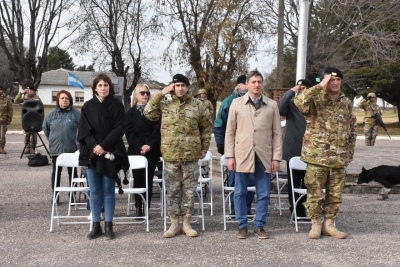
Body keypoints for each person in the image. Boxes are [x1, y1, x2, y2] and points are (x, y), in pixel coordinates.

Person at [144, 73, 212, 238]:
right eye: (176, 85)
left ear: (188, 87)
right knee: (173, 191)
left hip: (191, 155)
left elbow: (206, 127)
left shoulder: (198, 105)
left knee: (189, 191)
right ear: (172, 87)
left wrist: (204, 147)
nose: (180, 88)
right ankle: (174, 224)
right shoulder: (164, 104)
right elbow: (148, 113)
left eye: (183, 85)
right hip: (171, 155)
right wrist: (161, 93)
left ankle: (187, 223)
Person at [294, 67, 357, 239]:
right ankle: (315, 224)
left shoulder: (346, 102)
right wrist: (320, 85)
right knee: (314, 193)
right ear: (325, 81)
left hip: (339, 158)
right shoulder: (316, 98)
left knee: (335, 194)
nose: (335, 83)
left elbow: (352, 129)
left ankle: (329, 224)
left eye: (338, 80)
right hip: (317, 157)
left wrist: (349, 152)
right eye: (332, 80)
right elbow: (299, 102)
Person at [225, 70, 282, 239]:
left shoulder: (272, 105)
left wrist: (276, 157)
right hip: (242, 154)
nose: (257, 85)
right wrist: (230, 156)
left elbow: (277, 134)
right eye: (253, 82)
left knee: (263, 193)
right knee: (240, 192)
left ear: (262, 84)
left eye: (259, 82)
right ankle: (242, 225)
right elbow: (230, 132)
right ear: (247, 84)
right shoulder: (236, 104)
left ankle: (259, 226)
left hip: (264, 155)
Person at [77, 74, 129, 240]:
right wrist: (96, 147)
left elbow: (120, 129)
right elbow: (84, 132)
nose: (103, 88)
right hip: (92, 154)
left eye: (106, 85)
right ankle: (95, 225)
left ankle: (109, 225)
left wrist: (104, 146)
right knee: (94, 190)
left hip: (111, 152)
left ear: (110, 87)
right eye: (100, 85)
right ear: (95, 88)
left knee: (108, 189)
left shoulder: (117, 106)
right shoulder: (87, 106)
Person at [213, 74, 255, 217]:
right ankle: (234, 208)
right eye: (246, 83)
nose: (249, 86)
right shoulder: (228, 101)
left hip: (250, 148)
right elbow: (219, 125)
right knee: (234, 179)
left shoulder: (255, 101)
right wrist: (221, 145)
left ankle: (247, 207)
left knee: (250, 179)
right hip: (234, 148)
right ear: (239, 86)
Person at [278, 79, 312, 219]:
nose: (303, 91)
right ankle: (295, 209)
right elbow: (279, 107)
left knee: (308, 182)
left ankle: (305, 209)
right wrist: (292, 91)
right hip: (294, 149)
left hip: (311, 149)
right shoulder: (291, 105)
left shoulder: (314, 104)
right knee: (294, 182)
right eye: (301, 88)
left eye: (305, 88)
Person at [125, 84, 161, 216]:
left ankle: (147, 207)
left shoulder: (156, 112)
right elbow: (129, 133)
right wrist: (140, 146)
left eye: (147, 93)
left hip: (151, 151)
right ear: (136, 95)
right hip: (136, 151)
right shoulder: (129, 113)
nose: (145, 95)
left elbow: (157, 132)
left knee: (148, 180)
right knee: (138, 180)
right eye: (142, 93)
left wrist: (149, 145)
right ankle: (138, 206)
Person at [43, 90, 80, 204]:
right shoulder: (51, 115)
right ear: (58, 100)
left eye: (67, 98)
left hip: (72, 149)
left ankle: (72, 196)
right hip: (56, 150)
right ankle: (55, 196)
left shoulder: (77, 114)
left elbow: (83, 129)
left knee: (73, 173)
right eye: (62, 98)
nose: (64, 100)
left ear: (70, 100)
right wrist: (53, 141)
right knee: (56, 173)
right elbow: (46, 129)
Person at [14, 82, 41, 154]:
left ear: (34, 91)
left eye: (30, 90)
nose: (29, 91)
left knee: (34, 134)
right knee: (26, 134)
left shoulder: (37, 98)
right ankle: (27, 147)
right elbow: (15, 101)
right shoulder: (24, 97)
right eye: (28, 90)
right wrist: (20, 93)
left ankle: (33, 148)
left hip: (35, 119)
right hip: (26, 118)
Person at [0, 84, 13, 154]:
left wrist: (9, 119)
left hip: (3, 120)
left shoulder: (6, 98)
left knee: (2, 135)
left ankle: (1, 148)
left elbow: (10, 110)